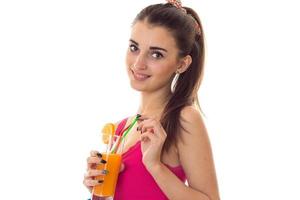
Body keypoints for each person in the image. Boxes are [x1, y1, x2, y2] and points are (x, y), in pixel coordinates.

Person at [83, 0, 220, 199]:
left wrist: (155, 166)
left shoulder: (184, 119)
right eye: (134, 47)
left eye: (156, 54)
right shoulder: (121, 128)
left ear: (181, 64)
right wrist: (97, 191)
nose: (138, 63)